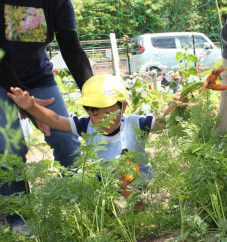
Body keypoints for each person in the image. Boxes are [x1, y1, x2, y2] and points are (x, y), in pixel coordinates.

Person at [0, 0, 93, 229]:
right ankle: (19, 222)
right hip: (1, 80)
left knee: (66, 138)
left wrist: (96, 99)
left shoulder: (58, 2)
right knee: (8, 149)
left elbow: (72, 49)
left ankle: (84, 206)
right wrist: (27, 104)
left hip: (38, 78)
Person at [8, 74, 157, 198]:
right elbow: (55, 120)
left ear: (123, 106)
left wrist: (175, 106)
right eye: (95, 114)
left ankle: (138, 213)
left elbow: (162, 122)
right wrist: (31, 107)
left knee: (124, 178)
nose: (101, 119)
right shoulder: (86, 125)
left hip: (135, 177)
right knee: (87, 191)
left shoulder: (136, 123)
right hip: (103, 180)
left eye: (109, 113)